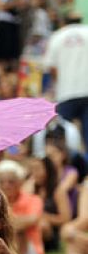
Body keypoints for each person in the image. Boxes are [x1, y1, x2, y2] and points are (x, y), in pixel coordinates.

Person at [44, 13, 88, 153]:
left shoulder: (57, 36)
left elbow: (51, 67)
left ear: (64, 21)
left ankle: (66, 165)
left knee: (61, 136)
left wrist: (60, 81)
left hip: (66, 92)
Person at [0, 160, 44, 254]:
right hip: (1, 250)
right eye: (2, 182)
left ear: (20, 182)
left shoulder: (33, 200)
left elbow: (31, 220)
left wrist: (3, 221)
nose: (6, 186)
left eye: (10, 182)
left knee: (19, 233)